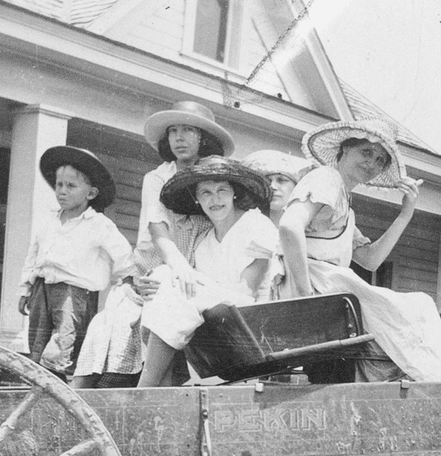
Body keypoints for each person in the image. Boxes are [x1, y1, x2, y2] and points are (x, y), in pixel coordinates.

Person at [276, 118, 441, 383]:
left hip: (329, 293)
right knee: (418, 307)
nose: (372, 163)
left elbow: (371, 260)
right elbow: (290, 226)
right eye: (366, 152)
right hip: (312, 287)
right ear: (345, 148)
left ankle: (429, 368)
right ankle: (434, 372)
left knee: (410, 312)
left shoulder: (345, 204)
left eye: (380, 160)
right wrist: (306, 297)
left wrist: (406, 212)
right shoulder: (328, 178)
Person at [73, 100, 234, 388]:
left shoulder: (215, 180)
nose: (179, 138)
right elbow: (155, 232)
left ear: (203, 138)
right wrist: (143, 277)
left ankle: (155, 398)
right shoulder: (157, 178)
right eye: (173, 131)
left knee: (173, 319)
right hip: (157, 271)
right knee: (111, 326)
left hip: (199, 279)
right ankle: (84, 399)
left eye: (188, 130)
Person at [137, 156, 277, 387]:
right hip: (213, 325)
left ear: (234, 193)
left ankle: (146, 384)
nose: (215, 199)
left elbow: (247, 290)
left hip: (249, 321)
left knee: (170, 279)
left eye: (222, 190)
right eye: (206, 193)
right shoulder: (204, 243)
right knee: (162, 275)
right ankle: (157, 386)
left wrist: (184, 288)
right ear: (197, 200)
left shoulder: (257, 224)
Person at [18, 146, 135, 379]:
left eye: (71, 186)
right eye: (59, 185)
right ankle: (39, 381)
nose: (62, 191)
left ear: (90, 193)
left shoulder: (98, 224)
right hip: (42, 287)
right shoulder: (48, 219)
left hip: (74, 292)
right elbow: (33, 256)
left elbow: (123, 254)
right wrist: (25, 289)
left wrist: (130, 280)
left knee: (64, 341)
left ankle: (60, 385)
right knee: (37, 340)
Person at [241, 149, 314, 226]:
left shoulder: (305, 229)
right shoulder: (247, 224)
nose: (273, 186)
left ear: (296, 188)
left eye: (281, 180)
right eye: (268, 181)